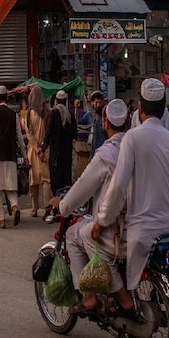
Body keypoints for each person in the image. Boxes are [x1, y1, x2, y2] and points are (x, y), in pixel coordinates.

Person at [94, 79, 169, 313]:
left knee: (97, 243)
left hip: (142, 234)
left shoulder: (133, 138)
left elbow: (118, 187)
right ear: (164, 109)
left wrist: (102, 220)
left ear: (140, 108)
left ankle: (120, 302)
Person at [46, 99, 134, 315]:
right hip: (142, 222)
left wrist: (63, 206)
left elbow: (82, 188)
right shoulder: (137, 149)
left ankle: (90, 296)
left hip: (117, 227)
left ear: (105, 122)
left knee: (75, 234)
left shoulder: (106, 155)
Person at [0, 85, 27, 229]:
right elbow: (19, 137)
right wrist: (25, 155)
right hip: (11, 155)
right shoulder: (14, 114)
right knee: (11, 187)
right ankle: (15, 207)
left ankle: (2, 221)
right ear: (7, 97)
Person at [41, 89, 76, 197]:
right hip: (67, 153)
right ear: (65, 100)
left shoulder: (53, 114)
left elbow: (48, 133)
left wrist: (43, 148)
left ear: (56, 100)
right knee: (66, 179)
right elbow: (75, 134)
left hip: (55, 153)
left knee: (56, 180)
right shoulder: (70, 114)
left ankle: (58, 202)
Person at [24, 84, 52, 218]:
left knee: (33, 181)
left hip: (33, 151)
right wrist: (43, 149)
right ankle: (48, 207)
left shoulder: (29, 113)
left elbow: (29, 134)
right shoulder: (47, 112)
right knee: (46, 180)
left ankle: (35, 208)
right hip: (45, 151)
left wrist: (37, 149)